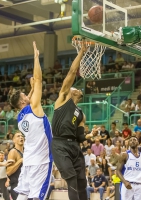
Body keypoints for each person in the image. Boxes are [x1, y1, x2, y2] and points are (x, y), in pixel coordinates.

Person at [10, 42, 53, 200]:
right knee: (37, 198)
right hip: (41, 162)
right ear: (22, 102)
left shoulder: (19, 117)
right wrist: (36, 57)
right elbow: (39, 80)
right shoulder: (34, 107)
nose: (27, 95)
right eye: (24, 95)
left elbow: (30, 97)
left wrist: (32, 88)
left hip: (28, 161)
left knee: (23, 195)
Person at [51, 43, 93, 200]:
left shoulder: (81, 114)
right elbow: (72, 71)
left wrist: (90, 135)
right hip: (60, 144)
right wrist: (82, 51)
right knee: (72, 182)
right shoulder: (62, 99)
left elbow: (81, 138)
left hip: (74, 146)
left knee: (82, 182)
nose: (73, 87)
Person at [7, 131, 24, 200]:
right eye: (18, 136)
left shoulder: (26, 151)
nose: (21, 137)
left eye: (22, 136)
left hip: (26, 184)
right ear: (13, 140)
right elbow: (8, 172)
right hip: (17, 185)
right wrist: (19, 161)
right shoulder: (13, 152)